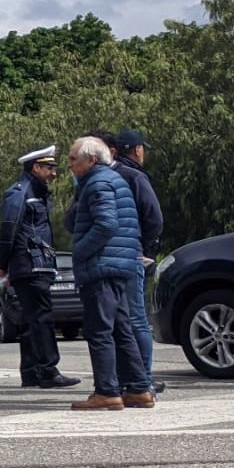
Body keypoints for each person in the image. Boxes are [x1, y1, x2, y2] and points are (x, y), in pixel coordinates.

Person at [66, 136, 152, 410]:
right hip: (118, 265)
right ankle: (138, 388)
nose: (69, 165)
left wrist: (80, 250)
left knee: (99, 330)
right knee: (121, 328)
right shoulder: (113, 180)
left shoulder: (97, 183)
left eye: (73, 159)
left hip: (101, 266)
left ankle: (107, 391)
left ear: (91, 160)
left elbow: (106, 224)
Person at [0, 148, 80, 390]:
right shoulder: (20, 193)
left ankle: (31, 372)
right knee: (42, 318)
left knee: (33, 319)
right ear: (36, 168)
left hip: (35, 264)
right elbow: (8, 229)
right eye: (49, 168)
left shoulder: (35, 192)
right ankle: (48, 370)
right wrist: (2, 264)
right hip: (30, 264)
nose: (54, 173)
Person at [111, 129, 165, 394]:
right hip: (134, 253)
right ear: (136, 149)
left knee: (119, 320)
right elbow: (154, 217)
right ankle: (144, 379)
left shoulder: (105, 175)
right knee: (138, 319)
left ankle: (125, 379)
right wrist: (147, 248)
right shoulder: (135, 176)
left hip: (111, 255)